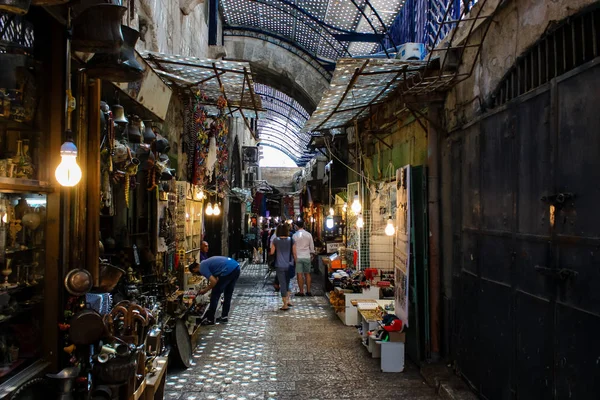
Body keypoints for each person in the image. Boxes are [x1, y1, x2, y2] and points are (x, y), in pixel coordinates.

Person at [197, 256, 241, 325]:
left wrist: (205, 290)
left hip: (228, 270)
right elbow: (216, 277)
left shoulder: (202, 268)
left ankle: (210, 319)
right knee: (228, 294)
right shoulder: (206, 262)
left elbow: (214, 281)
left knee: (215, 295)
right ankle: (224, 317)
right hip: (236, 267)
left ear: (194, 269)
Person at [270, 224, 294, 310]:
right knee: (288, 282)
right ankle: (288, 300)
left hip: (279, 265)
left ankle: (285, 304)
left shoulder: (276, 240)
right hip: (289, 264)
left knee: (283, 283)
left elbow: (272, 252)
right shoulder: (291, 240)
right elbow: (294, 253)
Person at [292, 220, 315, 296]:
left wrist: (294, 257)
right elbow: (311, 246)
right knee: (307, 274)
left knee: (299, 274)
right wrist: (312, 254)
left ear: (297, 226)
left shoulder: (294, 235)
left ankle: (301, 291)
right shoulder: (309, 235)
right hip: (306, 256)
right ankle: (308, 291)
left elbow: (293, 248)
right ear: (304, 225)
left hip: (298, 256)